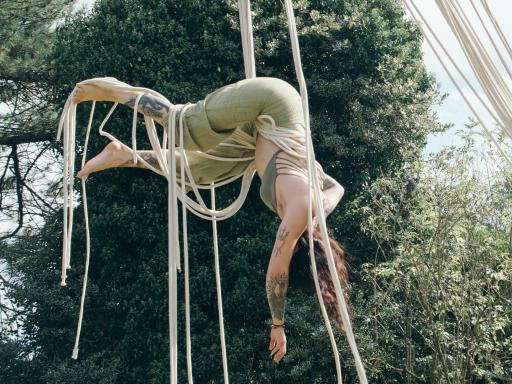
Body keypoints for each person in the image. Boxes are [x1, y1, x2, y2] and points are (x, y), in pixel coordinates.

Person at [72, 77, 348, 365]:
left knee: (201, 171)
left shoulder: (315, 207)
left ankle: (125, 156)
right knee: (186, 131)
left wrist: (320, 201)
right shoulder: (300, 212)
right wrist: (278, 325)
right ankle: (112, 90)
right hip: (274, 103)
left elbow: (338, 188)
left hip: (257, 132)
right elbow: (275, 274)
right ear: (296, 253)